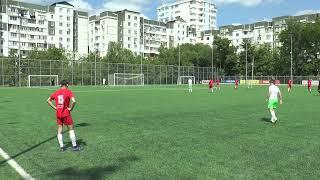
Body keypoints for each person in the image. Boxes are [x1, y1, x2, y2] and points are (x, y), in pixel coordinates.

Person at [47, 80, 81, 152]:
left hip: (58, 113)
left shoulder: (56, 92)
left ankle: (62, 147)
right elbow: (74, 101)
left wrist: (55, 107)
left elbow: (48, 100)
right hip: (66, 113)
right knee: (71, 129)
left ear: (60, 85)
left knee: (60, 128)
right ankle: (74, 146)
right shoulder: (68, 92)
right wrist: (71, 108)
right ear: (67, 85)